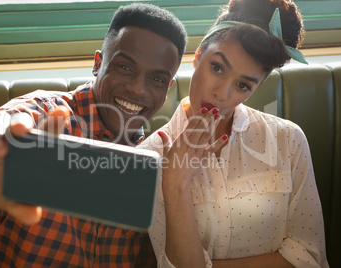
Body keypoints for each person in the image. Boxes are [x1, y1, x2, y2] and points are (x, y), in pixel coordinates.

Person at [0, 3, 187, 267]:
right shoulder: (46, 116)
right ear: (97, 63)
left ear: (168, 88)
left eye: (157, 79)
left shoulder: (157, 163)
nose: (138, 89)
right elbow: (6, 133)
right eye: (125, 67)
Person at [138, 0, 329, 267]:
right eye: (217, 67)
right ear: (198, 54)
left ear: (257, 87)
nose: (221, 94)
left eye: (242, 85)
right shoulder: (149, 156)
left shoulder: (288, 140)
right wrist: (174, 185)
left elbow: (309, 258)